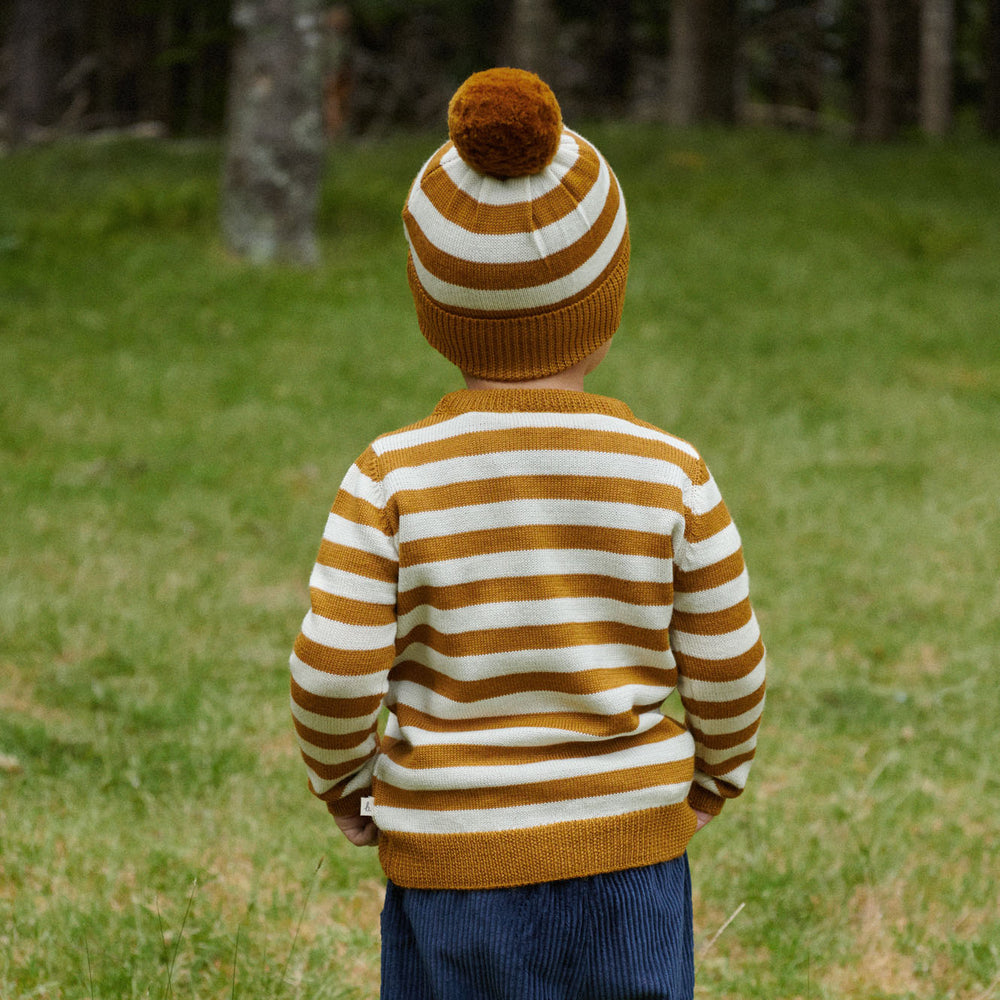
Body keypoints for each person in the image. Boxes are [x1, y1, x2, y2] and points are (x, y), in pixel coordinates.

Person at [289, 66, 766, 1000]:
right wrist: (717, 776)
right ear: (608, 297)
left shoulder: (391, 477)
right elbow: (731, 662)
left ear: (434, 311)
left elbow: (334, 669)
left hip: (452, 864)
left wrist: (345, 788)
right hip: (627, 857)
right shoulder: (670, 473)